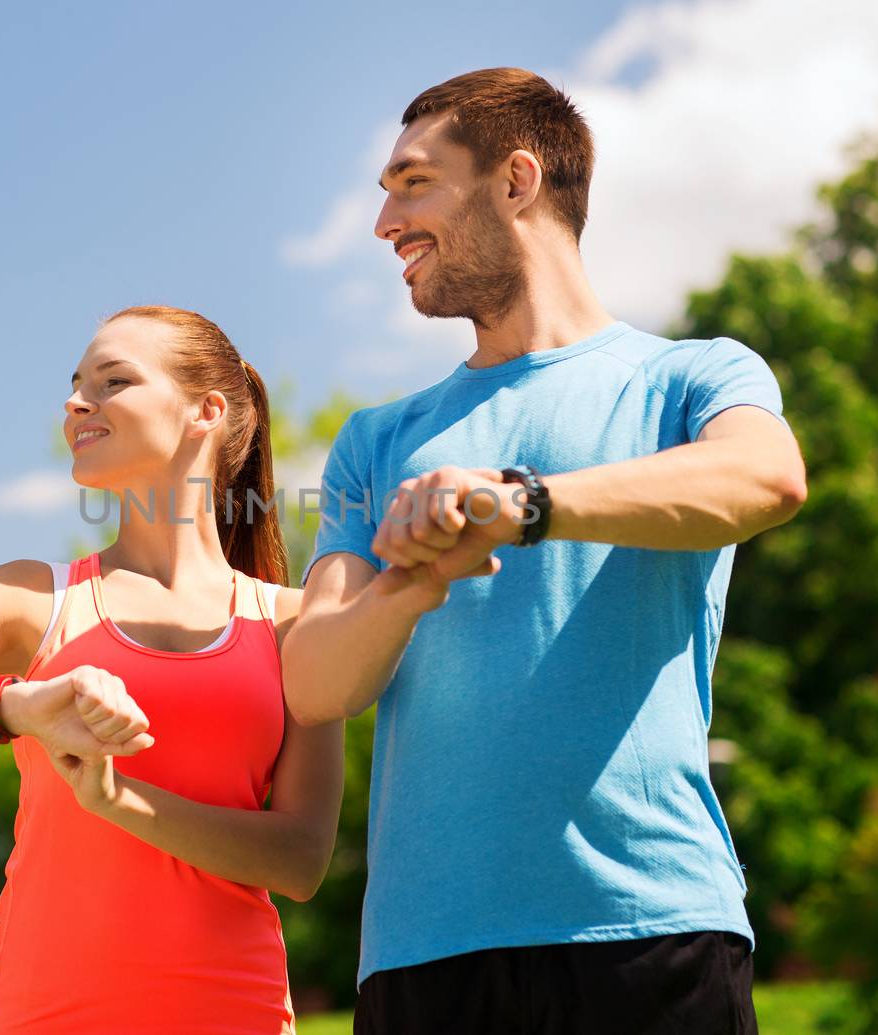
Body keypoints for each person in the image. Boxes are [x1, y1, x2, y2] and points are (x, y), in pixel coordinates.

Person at [283, 68, 809, 1035]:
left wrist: (520, 505)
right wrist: (412, 583)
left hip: (650, 929)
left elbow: (765, 479)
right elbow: (315, 682)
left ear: (515, 180)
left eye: (412, 183)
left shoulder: (691, 375)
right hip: (422, 957)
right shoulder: (377, 438)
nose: (382, 223)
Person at [0, 305, 345, 1034]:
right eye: (74, 384)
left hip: (235, 1012)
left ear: (205, 411)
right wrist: (16, 706)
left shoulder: (294, 621)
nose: (74, 402)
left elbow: (301, 858)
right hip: (48, 1014)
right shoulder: (29, 597)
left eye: (113, 380)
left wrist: (120, 801)